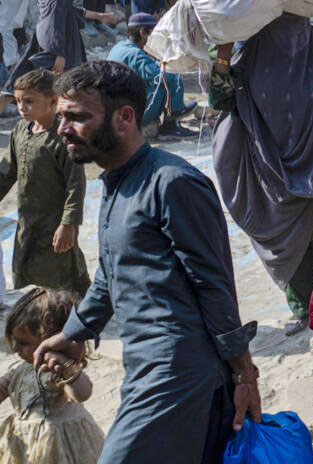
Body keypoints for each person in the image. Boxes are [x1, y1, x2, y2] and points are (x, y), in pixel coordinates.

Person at [36, 61, 262, 462]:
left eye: (77, 117)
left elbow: (214, 284)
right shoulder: (116, 182)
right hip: (146, 365)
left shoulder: (173, 183)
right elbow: (110, 273)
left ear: (125, 118)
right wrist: (74, 332)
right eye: (61, 117)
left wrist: (244, 373)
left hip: (177, 370)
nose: (63, 129)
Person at [211, 14, 313, 334]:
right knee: (290, 244)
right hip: (272, 170)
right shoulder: (251, 58)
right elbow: (222, 100)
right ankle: (303, 309)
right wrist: (221, 56)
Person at [0, 70, 89, 298]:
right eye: (19, 101)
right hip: (29, 217)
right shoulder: (20, 130)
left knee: (61, 266)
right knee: (32, 263)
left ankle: (75, 309)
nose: (21, 107)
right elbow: (6, 171)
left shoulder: (64, 136)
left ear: (53, 101)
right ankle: (50, 305)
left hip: (55, 219)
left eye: (29, 101)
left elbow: (75, 185)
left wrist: (68, 224)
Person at [1, 288, 105, 461]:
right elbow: (4, 387)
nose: (16, 349)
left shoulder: (58, 370)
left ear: (52, 339)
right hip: (25, 444)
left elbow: (82, 393)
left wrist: (66, 367)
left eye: (23, 343)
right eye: (14, 341)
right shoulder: (22, 369)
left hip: (59, 446)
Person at [1, 0, 116, 109]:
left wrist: (99, 16)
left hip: (44, 44)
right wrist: (59, 53)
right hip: (59, 49)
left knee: (26, 79)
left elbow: (72, 11)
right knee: (62, 86)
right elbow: (55, 26)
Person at [107, 12, 196, 137]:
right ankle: (172, 121)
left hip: (116, 108)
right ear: (143, 33)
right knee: (173, 79)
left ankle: (176, 109)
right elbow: (161, 75)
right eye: (155, 33)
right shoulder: (135, 54)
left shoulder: (120, 46)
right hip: (129, 113)